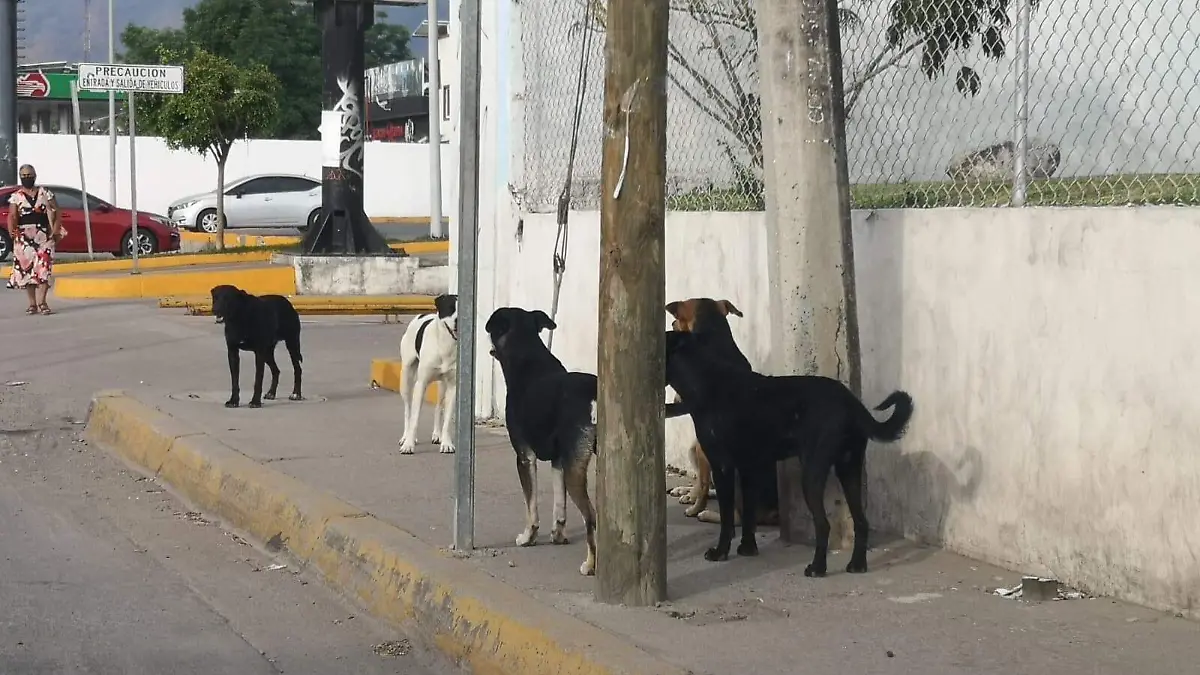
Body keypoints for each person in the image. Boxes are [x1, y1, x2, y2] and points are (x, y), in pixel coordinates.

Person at [6, 164, 63, 315]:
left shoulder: (45, 193)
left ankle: (42, 302)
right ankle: (32, 304)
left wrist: (56, 230)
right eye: (23, 176)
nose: (27, 178)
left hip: (44, 235)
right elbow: (12, 215)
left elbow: (57, 211)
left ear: (35, 175)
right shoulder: (16, 196)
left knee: (43, 268)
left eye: (29, 175)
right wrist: (13, 232)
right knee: (27, 271)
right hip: (24, 237)